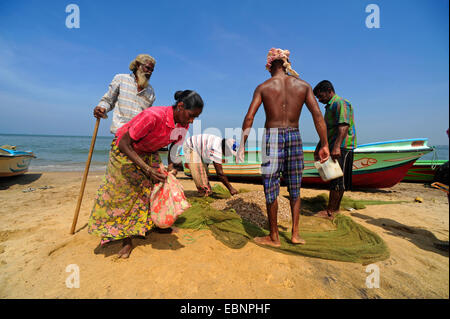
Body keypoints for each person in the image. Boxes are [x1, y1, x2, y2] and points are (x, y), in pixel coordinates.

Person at [88, 90, 204, 258]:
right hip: (125, 151)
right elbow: (124, 144)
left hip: (148, 152)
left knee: (155, 187)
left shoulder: (183, 124)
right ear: (180, 106)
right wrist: (147, 169)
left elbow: (174, 146)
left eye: (196, 118)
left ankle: (156, 224)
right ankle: (126, 240)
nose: (192, 121)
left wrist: (171, 165)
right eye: (191, 115)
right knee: (126, 195)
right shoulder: (153, 116)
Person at [237, 48, 330, 247]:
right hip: (295, 136)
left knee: (271, 187)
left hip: (273, 136)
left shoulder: (264, 87)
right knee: (295, 187)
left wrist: (242, 144)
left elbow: (249, 117)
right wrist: (325, 144)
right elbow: (317, 116)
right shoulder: (303, 86)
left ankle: (274, 237)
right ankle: (295, 235)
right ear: (286, 63)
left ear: (270, 65)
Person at [313, 80, 357, 220]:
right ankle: (333, 208)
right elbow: (327, 130)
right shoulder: (329, 106)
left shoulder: (341, 103)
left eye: (320, 96)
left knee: (338, 179)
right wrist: (318, 147)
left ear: (329, 91)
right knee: (333, 177)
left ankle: (332, 210)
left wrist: (337, 146)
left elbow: (343, 126)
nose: (319, 100)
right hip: (332, 146)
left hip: (343, 146)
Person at [93, 54, 157, 134]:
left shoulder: (151, 91)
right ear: (138, 65)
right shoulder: (121, 79)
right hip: (120, 133)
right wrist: (102, 108)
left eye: (152, 70)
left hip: (139, 136)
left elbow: (147, 116)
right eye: (147, 68)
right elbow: (108, 101)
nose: (150, 72)